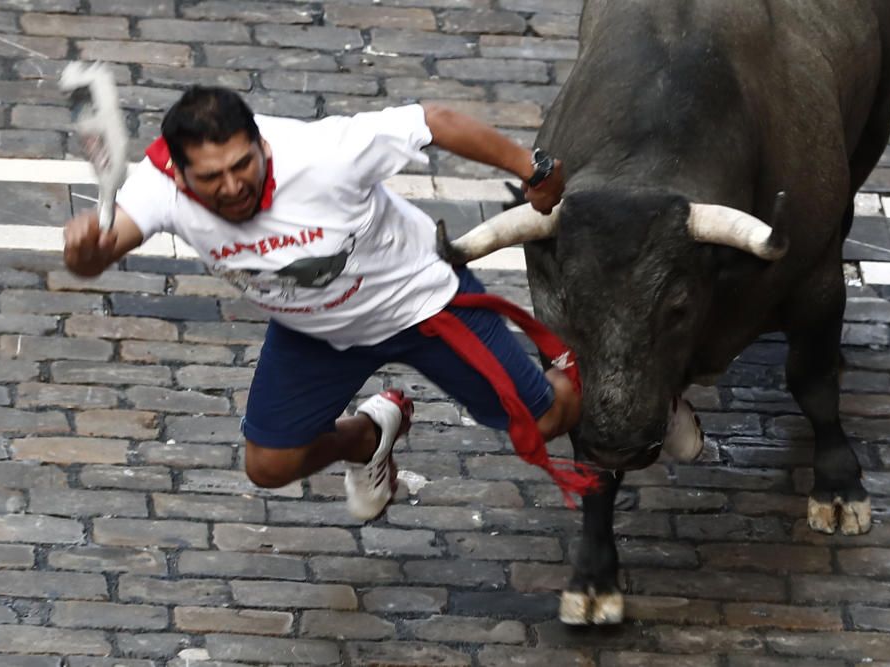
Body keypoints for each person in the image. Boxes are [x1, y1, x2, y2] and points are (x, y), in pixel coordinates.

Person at [62, 86, 579, 520]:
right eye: (211, 179)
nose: (234, 185)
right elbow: (99, 257)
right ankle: (369, 436)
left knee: (547, 421)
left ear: (262, 145)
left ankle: (589, 360)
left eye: (243, 164)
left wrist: (533, 170)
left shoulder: (326, 153)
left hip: (424, 306)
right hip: (316, 331)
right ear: (178, 174)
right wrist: (85, 252)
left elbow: (434, 121)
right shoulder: (159, 189)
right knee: (269, 466)